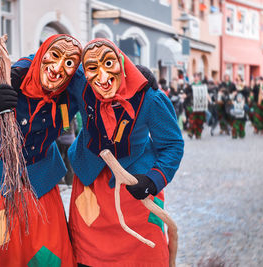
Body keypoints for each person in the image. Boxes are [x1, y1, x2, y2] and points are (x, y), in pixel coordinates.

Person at [0, 34, 82, 266]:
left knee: (50, 255)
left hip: (41, 184)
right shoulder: (0, 85)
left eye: (69, 64)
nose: (57, 68)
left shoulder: (70, 92)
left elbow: (100, 74)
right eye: (53, 56)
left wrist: (138, 82)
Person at [67, 38, 184, 266]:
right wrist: (20, 70)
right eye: (93, 68)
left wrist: (153, 180)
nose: (102, 77)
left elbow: (172, 144)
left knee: (143, 254)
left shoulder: (148, 98)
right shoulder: (80, 84)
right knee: (88, 256)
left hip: (136, 189)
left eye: (109, 64)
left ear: (122, 61)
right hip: (90, 187)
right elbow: (54, 59)